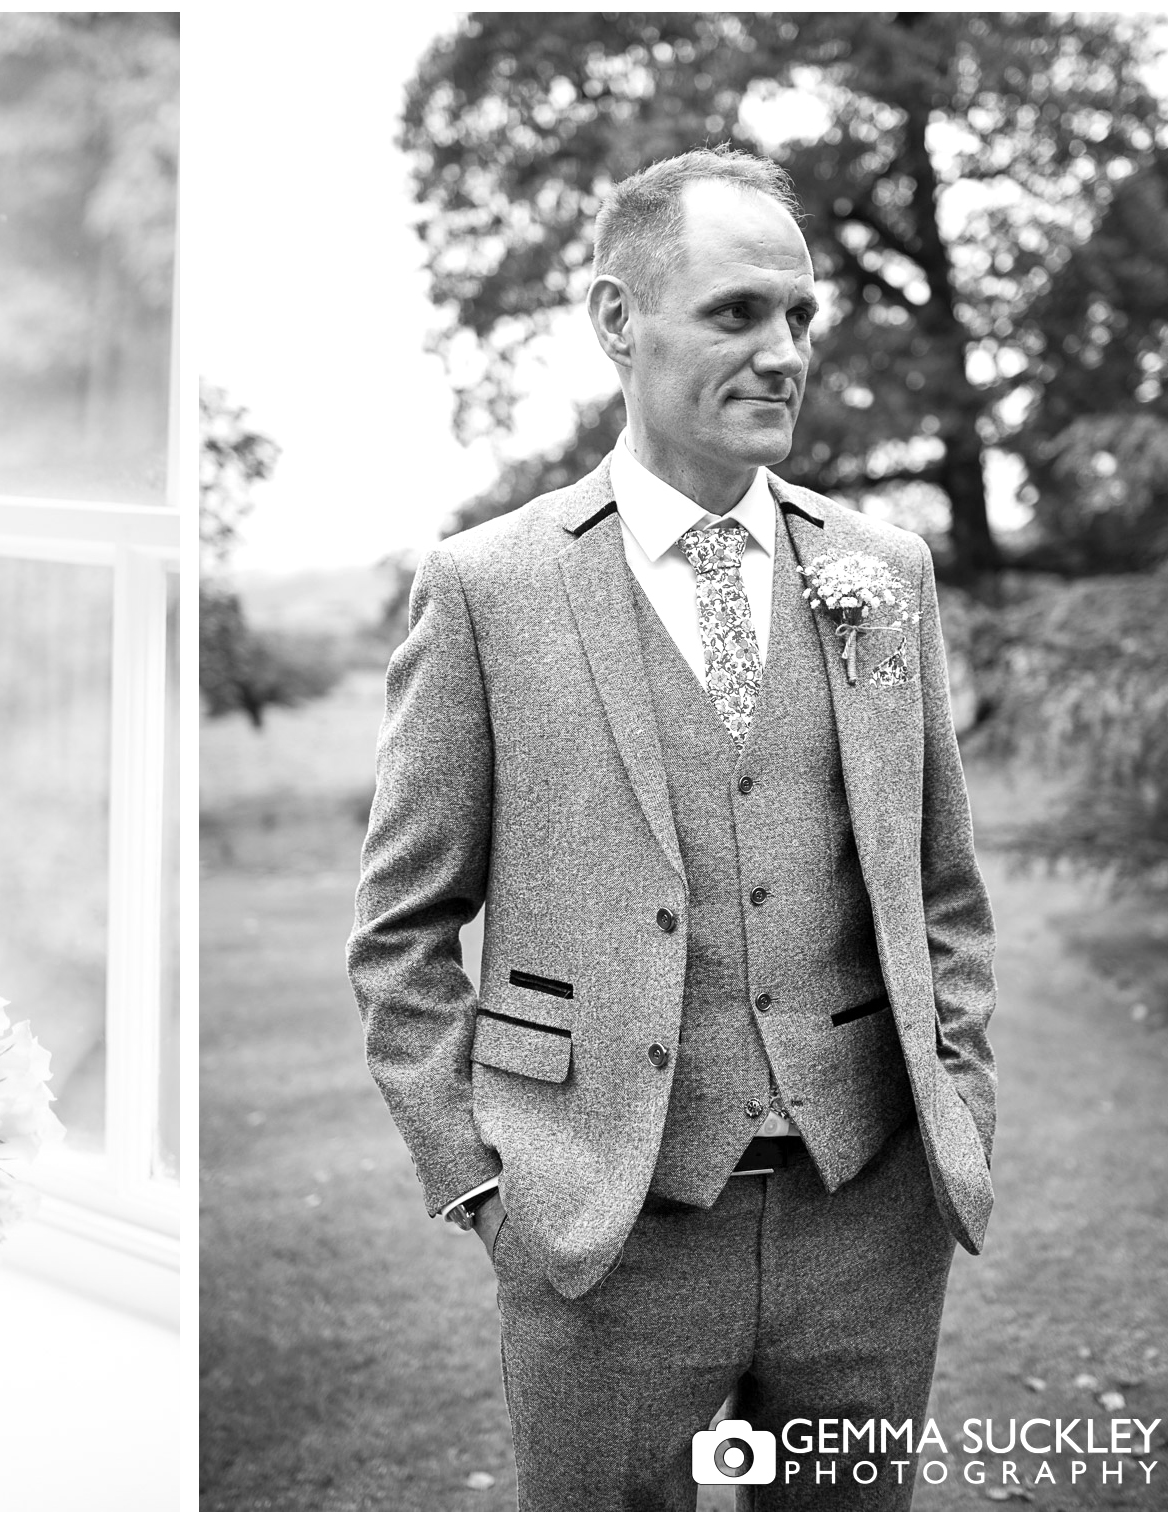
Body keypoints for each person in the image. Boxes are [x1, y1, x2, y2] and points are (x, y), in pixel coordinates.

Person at [349, 146, 996, 1512]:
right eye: (735, 312)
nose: (782, 352)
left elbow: (941, 888)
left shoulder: (880, 576)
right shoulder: (488, 589)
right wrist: (481, 1188)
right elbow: (402, 936)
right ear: (613, 320)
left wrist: (959, 1110)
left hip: (867, 1217)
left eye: (799, 317)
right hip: (604, 1231)